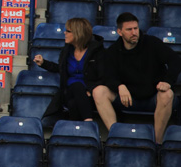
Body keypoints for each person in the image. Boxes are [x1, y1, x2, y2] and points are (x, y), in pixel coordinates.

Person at [93, 13, 181, 144]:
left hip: (153, 97)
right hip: (127, 99)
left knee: (167, 94)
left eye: (136, 28)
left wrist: (168, 81)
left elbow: (175, 60)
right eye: (129, 29)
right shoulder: (112, 51)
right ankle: (115, 135)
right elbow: (107, 76)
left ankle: (157, 143)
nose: (134, 32)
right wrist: (119, 86)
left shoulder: (152, 43)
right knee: (98, 91)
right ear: (120, 32)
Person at [33, 17, 105, 122]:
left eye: (68, 31)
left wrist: (91, 89)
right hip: (69, 90)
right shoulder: (67, 51)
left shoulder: (97, 51)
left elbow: (104, 74)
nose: (64, 33)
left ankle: (75, 131)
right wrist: (44, 63)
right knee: (76, 86)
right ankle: (89, 122)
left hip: (90, 93)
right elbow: (61, 68)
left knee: (73, 103)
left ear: (77, 33)